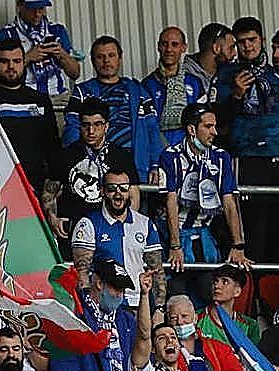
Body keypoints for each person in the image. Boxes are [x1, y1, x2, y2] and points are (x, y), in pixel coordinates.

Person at [214, 16, 279, 263]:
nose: (248, 46)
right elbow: (216, 122)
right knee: (253, 230)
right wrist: (236, 96)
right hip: (248, 159)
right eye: (241, 42)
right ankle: (254, 297)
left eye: (252, 40)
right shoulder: (225, 75)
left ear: (262, 40)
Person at [158, 103, 248, 280]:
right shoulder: (170, 156)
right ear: (192, 129)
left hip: (205, 233)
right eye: (208, 127)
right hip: (173, 234)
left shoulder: (221, 157)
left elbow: (229, 203)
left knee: (209, 291)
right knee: (177, 290)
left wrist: (238, 246)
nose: (214, 132)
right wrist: (175, 246)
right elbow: (171, 203)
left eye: (214, 126)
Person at [62, 36, 162, 182]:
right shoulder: (83, 92)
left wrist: (155, 164)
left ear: (120, 58)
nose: (106, 61)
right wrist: (78, 164)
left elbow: (152, 130)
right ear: (92, 61)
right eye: (100, 57)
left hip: (135, 169)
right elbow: (72, 129)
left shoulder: (138, 91)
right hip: (94, 173)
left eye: (111, 55)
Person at [51, 259, 138, 371]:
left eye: (123, 290)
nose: (120, 295)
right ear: (99, 284)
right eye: (116, 288)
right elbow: (62, 361)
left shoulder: (125, 320)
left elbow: (132, 361)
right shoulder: (74, 315)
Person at [42, 99, 139, 244]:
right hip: (73, 230)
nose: (91, 131)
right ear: (79, 126)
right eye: (85, 125)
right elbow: (49, 193)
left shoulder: (121, 156)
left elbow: (133, 194)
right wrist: (52, 218)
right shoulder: (64, 155)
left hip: (110, 229)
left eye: (97, 124)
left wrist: (126, 227)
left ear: (106, 126)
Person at [71, 168, 163, 307]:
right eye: (112, 188)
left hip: (137, 304)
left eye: (124, 188)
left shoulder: (145, 224)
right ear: (102, 191)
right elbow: (82, 271)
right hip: (103, 305)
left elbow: (157, 271)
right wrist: (88, 307)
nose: (118, 193)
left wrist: (159, 309)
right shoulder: (88, 223)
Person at [0, 39, 59, 194]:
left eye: (16, 61)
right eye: (4, 61)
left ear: (24, 62)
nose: (11, 66)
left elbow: (52, 146)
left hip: (34, 187)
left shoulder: (40, 100)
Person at [0, 0, 81, 107]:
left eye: (41, 8)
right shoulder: (6, 34)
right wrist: (28, 57)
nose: (37, 14)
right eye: (32, 9)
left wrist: (62, 54)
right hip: (25, 100)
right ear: (20, 5)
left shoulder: (57, 30)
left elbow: (75, 74)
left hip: (58, 98)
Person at [143, 28, 207, 149]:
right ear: (158, 47)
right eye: (164, 44)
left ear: (184, 48)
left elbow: (202, 120)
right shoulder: (148, 84)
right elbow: (147, 124)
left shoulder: (194, 83)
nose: (169, 49)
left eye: (175, 44)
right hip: (160, 151)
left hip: (191, 149)